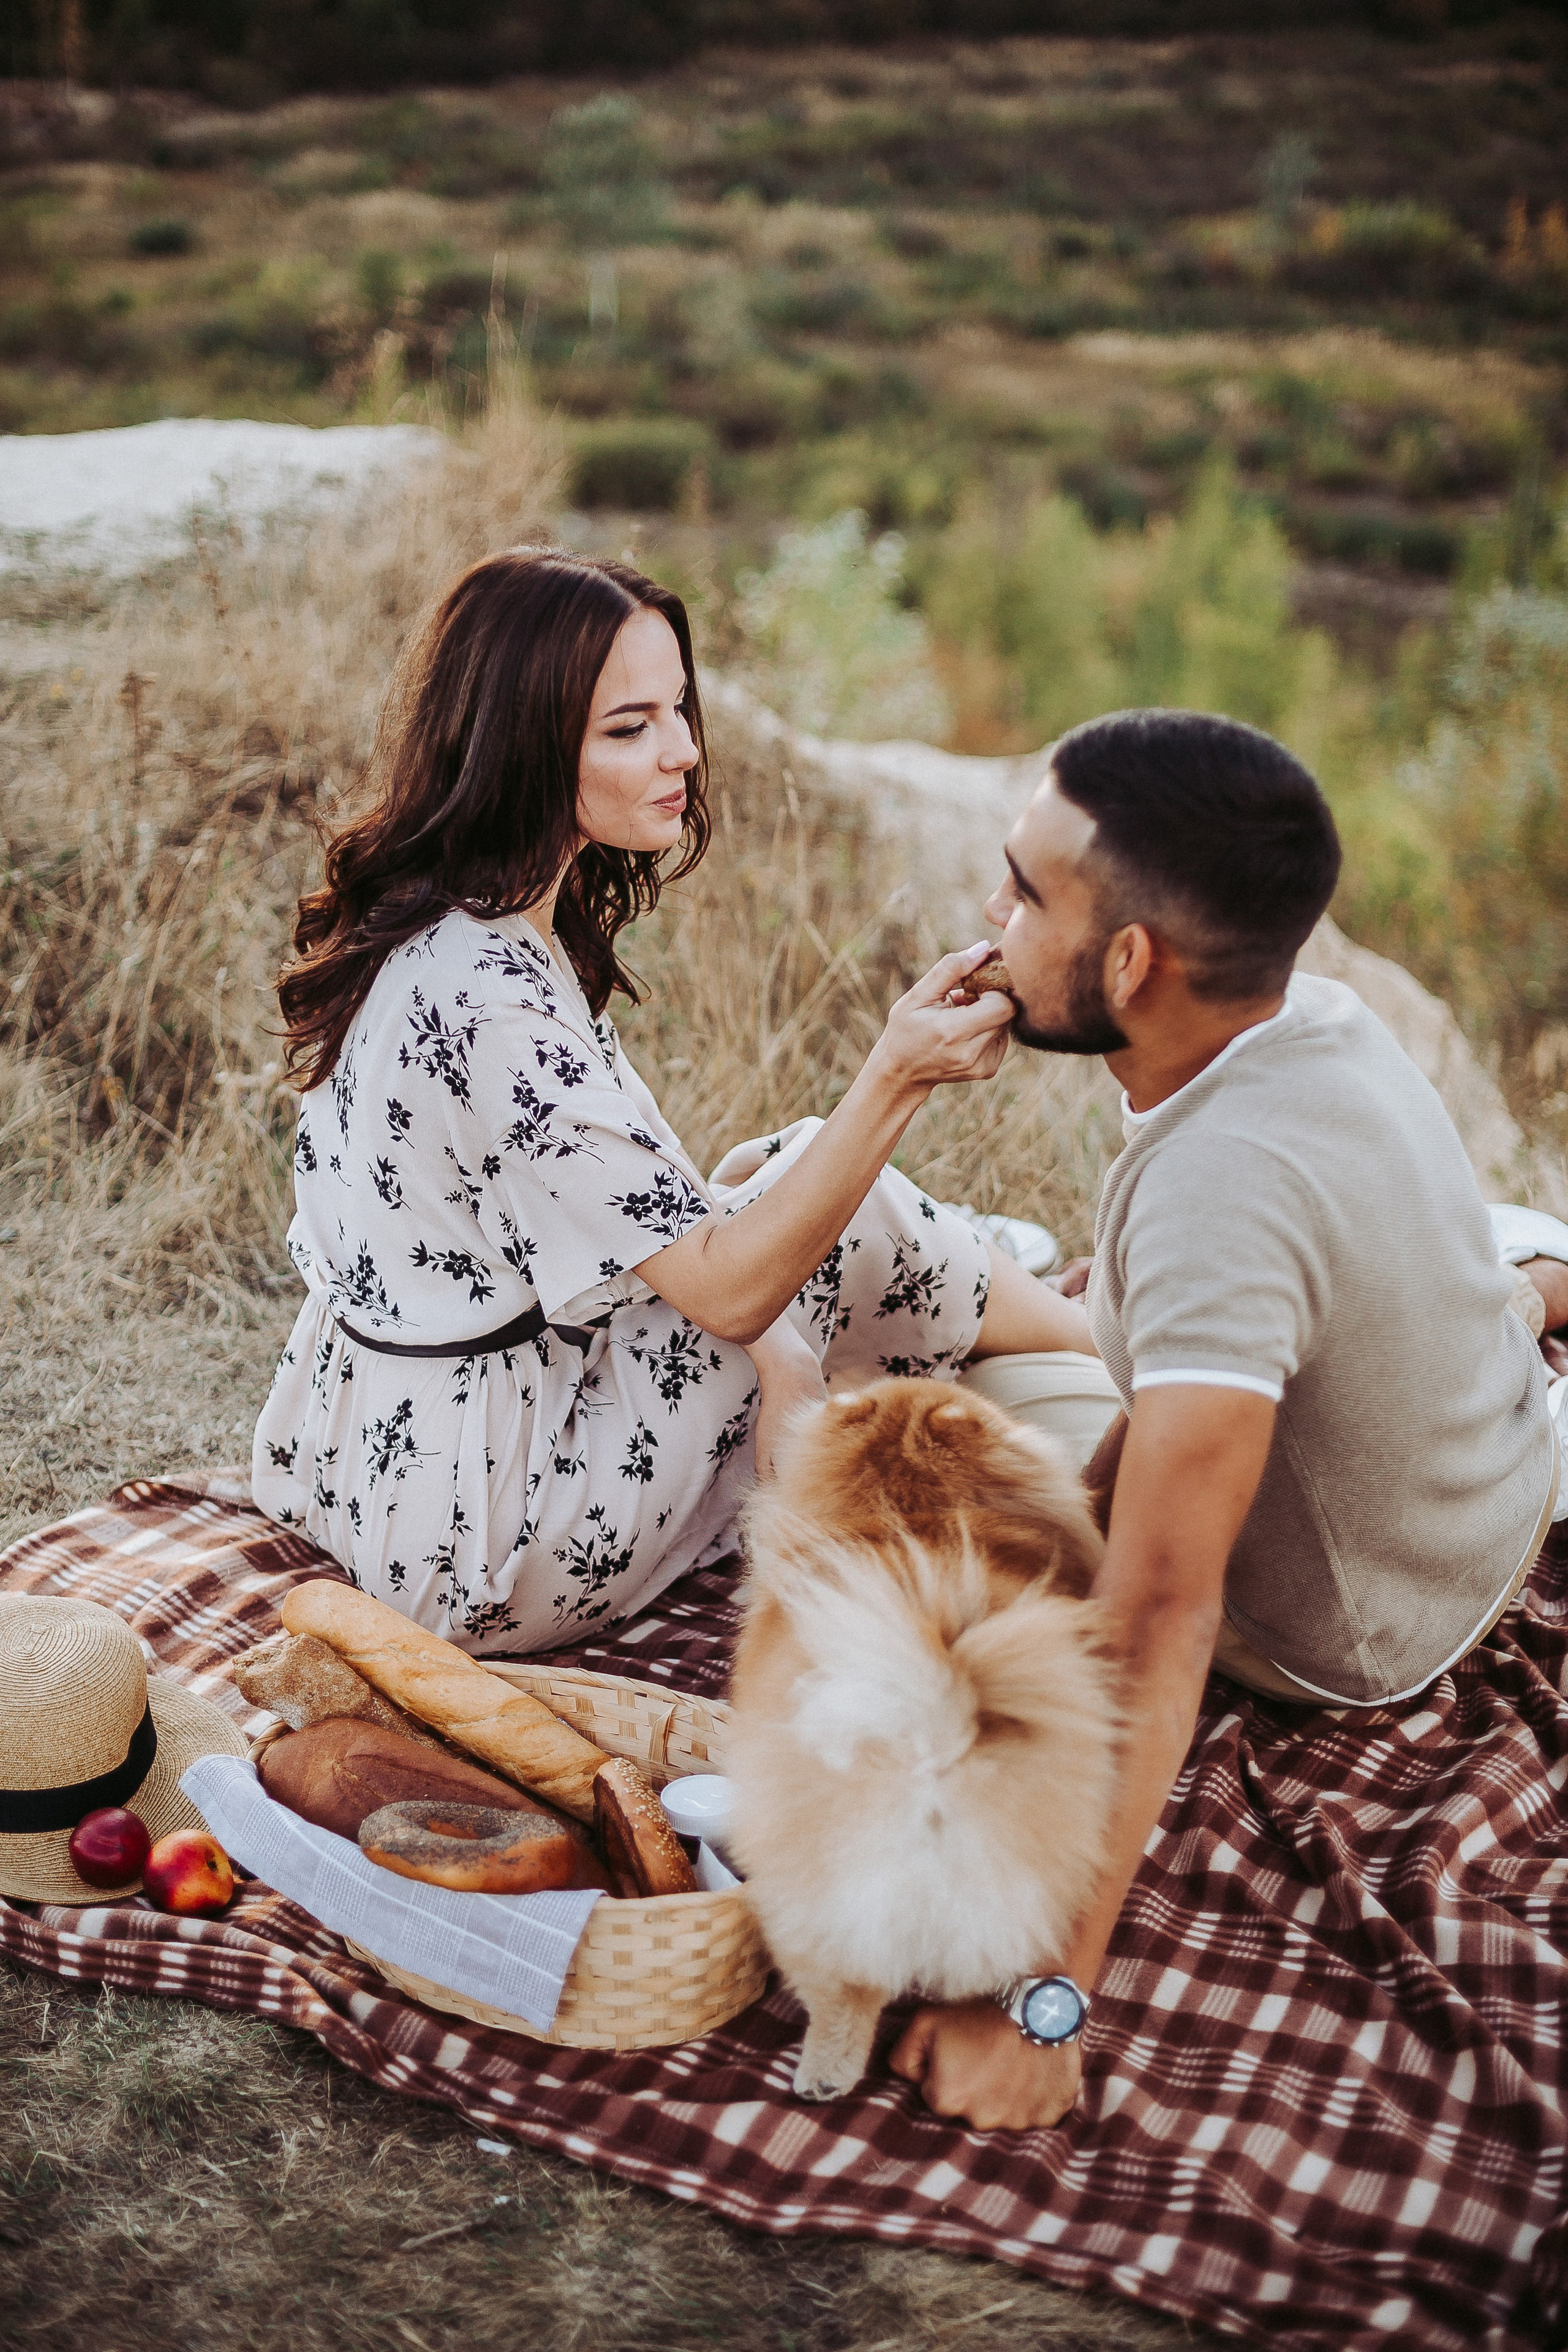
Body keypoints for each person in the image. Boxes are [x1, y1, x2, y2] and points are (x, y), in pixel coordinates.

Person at [889, 706, 1568, 2133]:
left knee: (935, 1400)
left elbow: (1157, 1624)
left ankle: (1528, 1290)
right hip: (1498, 1468)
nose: (991, 916)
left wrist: (1040, 2007)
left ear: (1130, 962)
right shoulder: (1307, 1013)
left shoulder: (1219, 1199)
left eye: (1023, 890)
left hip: (1364, 1632)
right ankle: (1534, 1291)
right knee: (1426, 1261)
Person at [253, 548, 1089, 1649]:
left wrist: (775, 1335)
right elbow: (730, 1295)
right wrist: (897, 1075)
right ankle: (1101, 1347)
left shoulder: (441, 920)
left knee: (769, 1173)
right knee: (835, 1219)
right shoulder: (496, 1001)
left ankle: (1029, 1308)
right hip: (488, 1546)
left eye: (679, 710)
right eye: (630, 726)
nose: (685, 750)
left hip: (364, 1462)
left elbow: (626, 1229)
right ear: (526, 743)